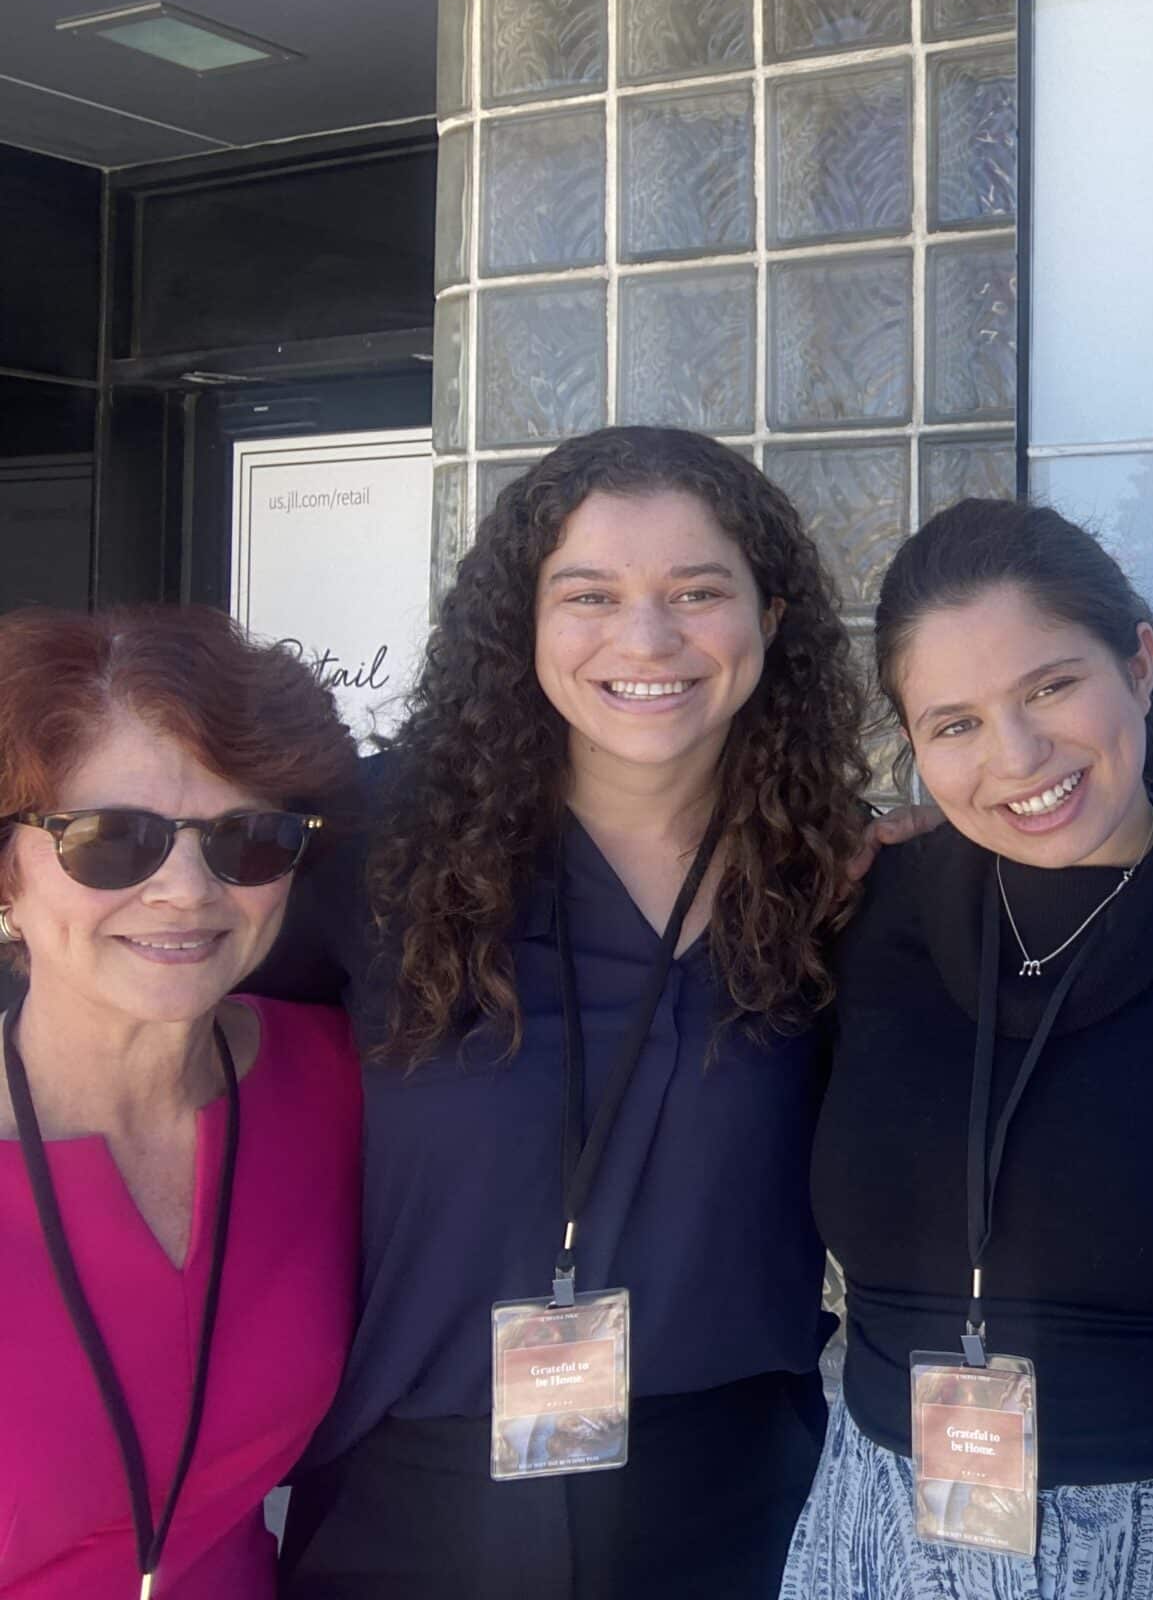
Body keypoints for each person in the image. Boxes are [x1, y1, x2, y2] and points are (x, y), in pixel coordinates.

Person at [259, 427, 877, 1599]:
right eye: (588, 595)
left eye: (698, 593)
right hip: (417, 1490)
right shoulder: (372, 851)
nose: (646, 640)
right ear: (523, 623)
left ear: (774, 618)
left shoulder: (833, 880)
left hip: (734, 1488)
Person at [782, 497, 1153, 1599]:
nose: (1017, 755)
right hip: (875, 1526)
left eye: (1049, 686)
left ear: (1136, 662)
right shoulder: (857, 910)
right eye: (955, 724)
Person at [0, 604, 360, 1598]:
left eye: (247, 840)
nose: (187, 890)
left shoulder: (339, 1088)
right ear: (7, 875)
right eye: (113, 841)